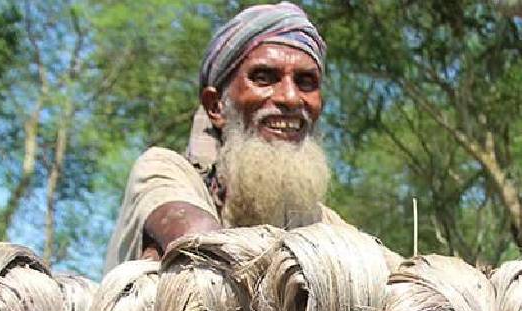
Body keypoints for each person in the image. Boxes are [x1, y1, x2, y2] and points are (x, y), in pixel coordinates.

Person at [105, 2, 348, 270]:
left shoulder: (317, 218)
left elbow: (396, 278)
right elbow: (205, 247)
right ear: (215, 106)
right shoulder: (164, 171)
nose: (290, 98)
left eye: (305, 82)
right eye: (264, 78)